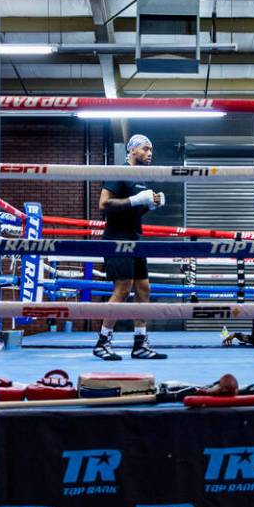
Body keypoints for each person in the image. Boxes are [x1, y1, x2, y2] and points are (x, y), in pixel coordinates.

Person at [92, 133, 167, 360]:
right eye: (145, 149)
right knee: (123, 288)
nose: (149, 153)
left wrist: (149, 205)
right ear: (132, 150)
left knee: (144, 288)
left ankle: (140, 344)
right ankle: (102, 342)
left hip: (136, 239)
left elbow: (132, 209)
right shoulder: (119, 172)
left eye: (151, 150)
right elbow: (104, 205)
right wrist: (136, 200)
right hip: (117, 238)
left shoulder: (140, 178)